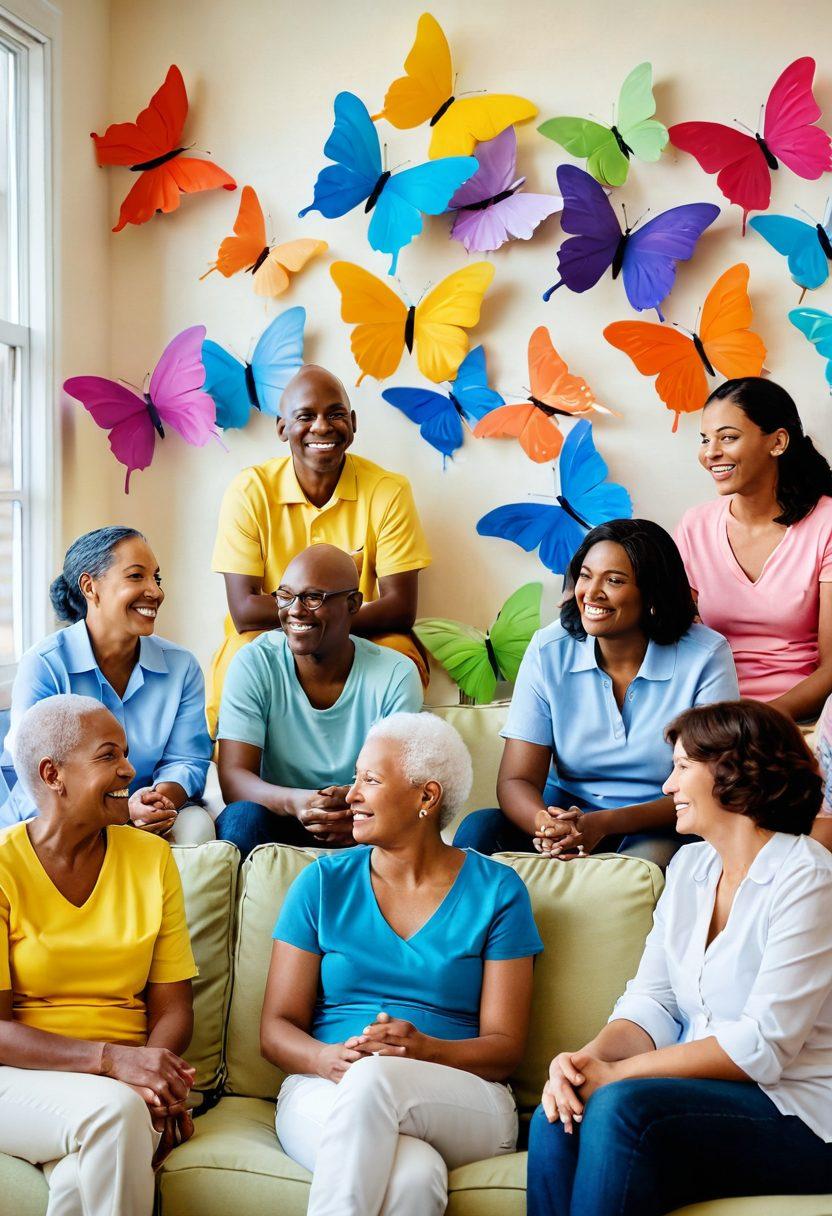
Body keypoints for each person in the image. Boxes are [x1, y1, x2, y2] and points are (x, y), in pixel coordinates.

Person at [526, 699, 832, 1216]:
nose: (667, 787)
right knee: (559, 1111)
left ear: (734, 772)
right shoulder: (690, 867)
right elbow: (654, 1001)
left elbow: (762, 1046)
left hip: (801, 1114)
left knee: (624, 1106)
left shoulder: (808, 876)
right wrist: (590, 1060)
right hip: (701, 1101)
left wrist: (621, 1075)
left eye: (682, 767)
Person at [260, 712, 543, 1216]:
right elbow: (276, 1028)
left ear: (426, 798)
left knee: (375, 1079)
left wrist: (426, 1051)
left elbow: (505, 1050)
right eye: (355, 778)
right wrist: (323, 1060)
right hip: (325, 1086)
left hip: (462, 1095)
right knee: (412, 1177)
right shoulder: (321, 883)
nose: (351, 794)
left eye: (370, 780)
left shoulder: (498, 892)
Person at [0, 695, 198, 1216]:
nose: (130, 770)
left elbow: (174, 1007)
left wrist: (160, 1077)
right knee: (116, 1115)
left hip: (126, 1085)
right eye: (109, 756)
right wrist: (115, 1063)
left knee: (76, 1187)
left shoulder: (152, 859)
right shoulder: (2, 867)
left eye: (126, 754)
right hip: (20, 1078)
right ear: (53, 774)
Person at [453, 520, 739, 869]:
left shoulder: (706, 655)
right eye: (586, 576)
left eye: (614, 580)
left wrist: (602, 825)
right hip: (569, 810)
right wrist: (549, 826)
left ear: (652, 594)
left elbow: (710, 785)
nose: (591, 592)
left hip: (665, 817)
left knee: (646, 863)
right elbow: (517, 779)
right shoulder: (548, 649)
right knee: (478, 829)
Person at [206, 364, 432, 734]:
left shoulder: (389, 491)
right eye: (306, 416)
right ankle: (244, 771)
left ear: (354, 424)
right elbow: (246, 611)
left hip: (361, 638)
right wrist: (324, 615)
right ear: (281, 428)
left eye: (336, 414)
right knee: (238, 654)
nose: (323, 427)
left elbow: (400, 608)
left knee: (399, 652)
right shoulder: (250, 491)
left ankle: (385, 775)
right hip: (272, 635)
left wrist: (320, 623)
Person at [0, 528, 215, 844]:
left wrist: (159, 799)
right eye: (135, 576)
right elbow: (40, 771)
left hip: (147, 812)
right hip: (60, 811)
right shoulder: (45, 664)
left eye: (156, 578)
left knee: (197, 829)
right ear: (90, 587)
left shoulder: (181, 667)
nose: (154, 592)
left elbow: (187, 760)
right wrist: (121, 808)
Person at [216, 543, 423, 858]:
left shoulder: (395, 674)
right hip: (280, 814)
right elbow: (233, 778)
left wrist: (359, 811)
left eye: (313, 598)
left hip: (362, 822)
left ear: (353, 604)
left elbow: (399, 785)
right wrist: (298, 802)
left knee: (407, 824)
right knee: (241, 817)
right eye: (285, 595)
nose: (295, 610)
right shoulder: (254, 662)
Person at [675, 377, 832, 721]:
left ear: (777, 442)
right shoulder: (694, 526)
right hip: (710, 717)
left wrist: (759, 720)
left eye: (727, 437)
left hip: (798, 721)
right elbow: (676, 637)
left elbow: (831, 667)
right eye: (705, 439)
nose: (710, 452)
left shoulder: (827, 524)